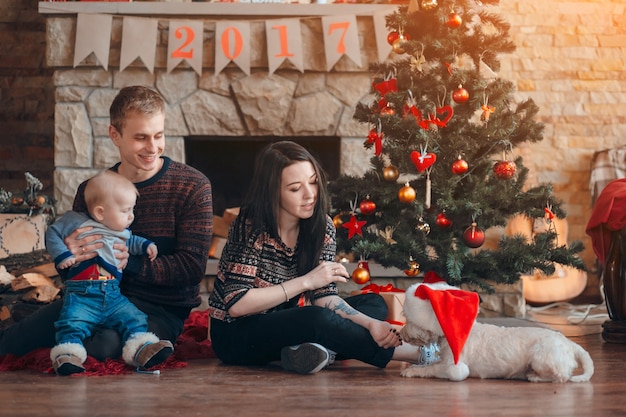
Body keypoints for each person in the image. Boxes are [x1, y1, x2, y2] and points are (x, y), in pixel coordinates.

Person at [0, 85, 213, 364]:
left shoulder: (193, 186)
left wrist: (131, 264)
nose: (153, 147)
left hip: (160, 309)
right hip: (88, 296)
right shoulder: (92, 190)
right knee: (13, 341)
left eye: (158, 136)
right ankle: (31, 320)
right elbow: (68, 270)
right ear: (115, 135)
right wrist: (73, 256)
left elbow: (191, 269)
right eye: (140, 138)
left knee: (104, 346)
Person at [208, 141, 439, 375]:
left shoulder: (322, 226)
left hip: (288, 323)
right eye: (295, 188)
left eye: (313, 182)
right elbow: (237, 304)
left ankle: (312, 350)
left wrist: (371, 323)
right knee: (315, 319)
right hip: (236, 335)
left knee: (373, 304)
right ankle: (417, 353)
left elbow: (323, 297)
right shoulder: (250, 225)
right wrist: (307, 281)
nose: (310, 195)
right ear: (272, 191)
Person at [45, 170, 172, 375]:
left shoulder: (120, 231)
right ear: (100, 213)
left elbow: (132, 241)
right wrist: (62, 255)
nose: (131, 216)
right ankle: (68, 355)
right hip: (82, 294)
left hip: (113, 294)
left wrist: (147, 245)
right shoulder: (75, 221)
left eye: (132, 209)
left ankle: (141, 349)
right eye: (125, 210)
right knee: (72, 322)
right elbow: (52, 233)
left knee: (134, 317)